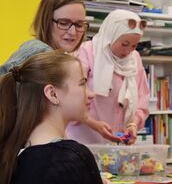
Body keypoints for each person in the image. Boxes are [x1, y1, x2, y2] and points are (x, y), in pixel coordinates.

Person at [0, 51, 102, 184]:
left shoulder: (17, 157)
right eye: (83, 83)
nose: (91, 94)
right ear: (52, 94)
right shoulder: (70, 159)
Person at [66, 9, 150, 144]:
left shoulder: (134, 59)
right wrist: (92, 123)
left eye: (134, 46)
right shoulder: (86, 52)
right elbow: (70, 98)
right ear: (111, 35)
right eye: (124, 44)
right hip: (82, 140)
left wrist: (133, 124)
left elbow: (142, 99)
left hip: (115, 145)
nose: (128, 51)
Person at [0, 0, 88, 75]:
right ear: (46, 22)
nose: (73, 32)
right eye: (63, 23)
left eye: (79, 25)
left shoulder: (59, 57)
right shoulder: (40, 51)